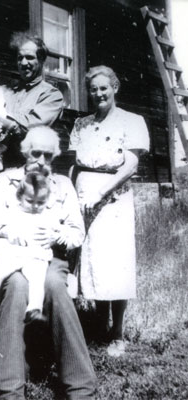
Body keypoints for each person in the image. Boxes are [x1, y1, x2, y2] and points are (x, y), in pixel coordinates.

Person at [0, 126, 96, 399]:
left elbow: (77, 233)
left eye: (48, 155)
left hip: (48, 257)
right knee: (18, 286)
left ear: (54, 156)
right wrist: (7, 232)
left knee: (55, 284)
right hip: (12, 255)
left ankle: (81, 388)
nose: (41, 161)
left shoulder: (63, 186)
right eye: (36, 154)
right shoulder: (5, 181)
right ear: (25, 152)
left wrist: (57, 234)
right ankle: (9, 390)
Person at [68, 65, 150, 357]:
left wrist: (100, 193)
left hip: (113, 198)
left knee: (116, 263)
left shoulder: (132, 121)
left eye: (104, 88)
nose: (99, 94)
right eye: (93, 89)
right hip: (83, 198)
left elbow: (130, 165)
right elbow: (75, 165)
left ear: (115, 87)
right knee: (92, 262)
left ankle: (118, 333)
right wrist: (70, 196)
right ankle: (100, 324)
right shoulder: (81, 124)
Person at [0, 171, 67, 328]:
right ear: (20, 197)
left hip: (36, 256)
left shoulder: (47, 215)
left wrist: (56, 235)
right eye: (29, 201)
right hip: (12, 253)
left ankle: (34, 310)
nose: (34, 206)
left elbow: (60, 229)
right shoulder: (12, 211)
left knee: (37, 280)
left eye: (40, 202)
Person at [0, 33, 63, 184]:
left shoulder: (51, 95)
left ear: (41, 60)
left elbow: (30, 127)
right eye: (19, 58)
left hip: (30, 175)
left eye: (29, 57)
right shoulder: (4, 90)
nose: (23, 63)